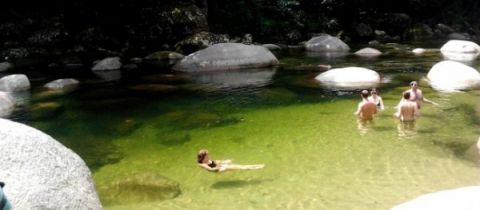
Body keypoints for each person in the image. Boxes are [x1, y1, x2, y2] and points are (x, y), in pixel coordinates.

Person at [197, 149, 265, 173]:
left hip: (221, 166)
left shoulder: (207, 159)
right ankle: (258, 167)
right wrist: (222, 167)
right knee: (241, 167)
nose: (208, 156)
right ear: (204, 156)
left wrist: (224, 161)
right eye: (207, 155)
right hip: (220, 169)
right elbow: (211, 169)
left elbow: (214, 161)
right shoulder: (202, 164)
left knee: (239, 167)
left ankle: (257, 166)